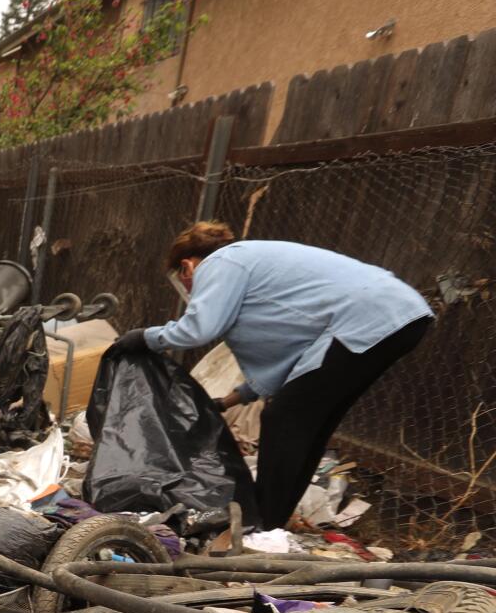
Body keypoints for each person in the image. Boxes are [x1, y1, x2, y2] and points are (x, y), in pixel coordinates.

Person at [113, 220, 433, 531]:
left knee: (284, 418)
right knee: (309, 422)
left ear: (187, 267)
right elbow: (288, 367)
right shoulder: (256, 274)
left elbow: (199, 328)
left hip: (370, 315)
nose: (188, 289)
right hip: (399, 316)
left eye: (183, 281)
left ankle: (264, 520)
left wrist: (144, 337)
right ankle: (273, 522)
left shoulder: (223, 261)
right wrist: (225, 403)